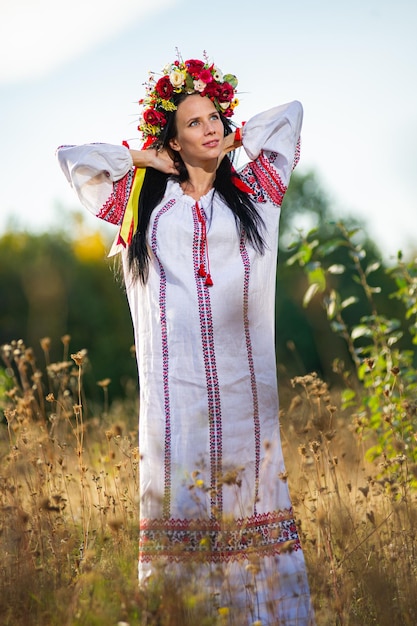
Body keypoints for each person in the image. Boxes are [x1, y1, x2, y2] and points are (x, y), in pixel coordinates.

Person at [57, 54, 315, 625]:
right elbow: (73, 162)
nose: (210, 128)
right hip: (178, 404)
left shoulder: (256, 194)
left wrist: (233, 137)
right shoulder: (143, 205)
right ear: (172, 140)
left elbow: (290, 118)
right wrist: (148, 158)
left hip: (246, 398)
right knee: (185, 510)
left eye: (215, 118)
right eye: (193, 123)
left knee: (253, 512)